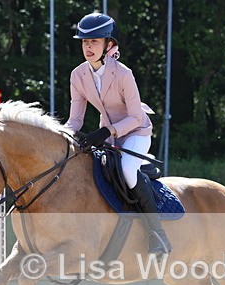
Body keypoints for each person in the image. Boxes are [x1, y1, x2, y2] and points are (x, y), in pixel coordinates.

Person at [64, 12, 171, 256]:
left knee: (126, 170)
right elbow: (76, 119)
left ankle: (157, 234)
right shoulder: (78, 75)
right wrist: (63, 135)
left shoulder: (124, 74)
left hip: (136, 132)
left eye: (94, 41)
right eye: (84, 42)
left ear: (109, 45)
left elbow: (135, 117)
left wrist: (106, 131)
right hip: (109, 137)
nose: (88, 47)